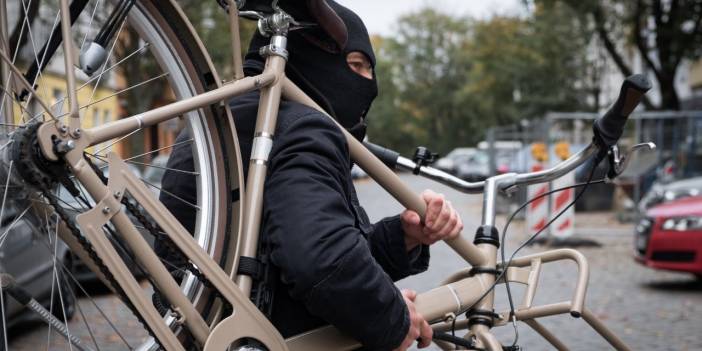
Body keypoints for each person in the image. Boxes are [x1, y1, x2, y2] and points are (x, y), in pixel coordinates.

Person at [158, 1, 464, 350]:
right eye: (357, 65)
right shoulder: (304, 127)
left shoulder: (205, 129)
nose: (369, 83)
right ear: (307, 53)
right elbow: (317, 260)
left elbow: (276, 258)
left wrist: (403, 236)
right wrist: (391, 316)